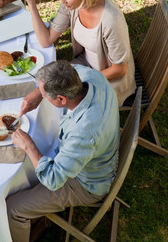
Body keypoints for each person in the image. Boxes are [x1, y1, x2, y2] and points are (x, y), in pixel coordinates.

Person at [6, 61, 119, 242]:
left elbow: (53, 180)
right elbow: (69, 65)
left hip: (86, 185)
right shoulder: (92, 77)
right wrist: (38, 94)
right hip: (94, 157)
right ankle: (37, 217)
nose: (41, 95)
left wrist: (28, 145)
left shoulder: (83, 134)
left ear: (61, 99)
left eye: (44, 94)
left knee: (13, 208)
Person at [20, 0, 135, 105]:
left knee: (58, 98)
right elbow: (46, 40)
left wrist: (82, 79)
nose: (62, 2)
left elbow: (120, 69)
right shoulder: (73, 6)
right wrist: (31, 4)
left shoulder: (111, 21)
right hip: (85, 64)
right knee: (49, 88)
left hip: (109, 80)